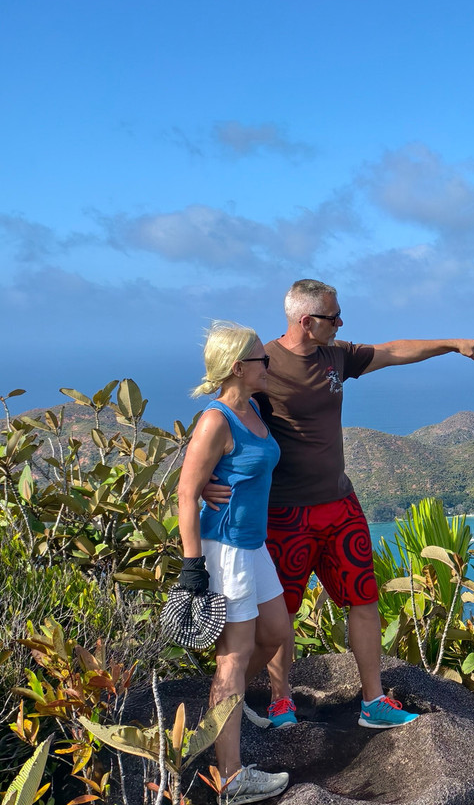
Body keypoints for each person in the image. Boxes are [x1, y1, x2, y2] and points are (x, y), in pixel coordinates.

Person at [206, 279, 474, 729]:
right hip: (285, 512)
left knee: (364, 599)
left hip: (340, 503)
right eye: (333, 316)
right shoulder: (264, 363)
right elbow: (224, 414)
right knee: (284, 612)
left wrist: (452, 344)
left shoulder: (335, 355)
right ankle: (281, 701)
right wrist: (206, 480)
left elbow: (392, 351)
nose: (341, 323)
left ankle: (373, 701)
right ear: (306, 321)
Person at [176, 322, 293, 804]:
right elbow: (186, 492)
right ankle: (231, 778)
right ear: (239, 367)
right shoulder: (216, 420)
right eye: (262, 359)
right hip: (225, 549)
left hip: (252, 545)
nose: (269, 364)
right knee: (234, 656)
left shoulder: (254, 409)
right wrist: (192, 566)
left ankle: (229, 705)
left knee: (276, 631)